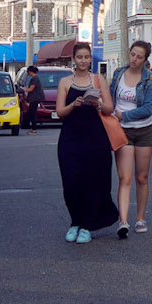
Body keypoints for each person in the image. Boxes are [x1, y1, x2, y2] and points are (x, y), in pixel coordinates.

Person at [54, 42, 119, 243]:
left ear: (91, 58)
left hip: (95, 139)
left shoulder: (98, 80)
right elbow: (60, 112)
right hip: (70, 139)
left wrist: (97, 103)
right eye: (79, 57)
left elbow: (109, 108)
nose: (83, 61)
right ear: (73, 59)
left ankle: (87, 225)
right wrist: (73, 104)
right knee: (71, 181)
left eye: (86, 57)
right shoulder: (65, 82)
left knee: (95, 181)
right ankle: (75, 222)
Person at [111, 40, 152, 235]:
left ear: (145, 59)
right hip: (122, 131)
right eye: (132, 54)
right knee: (124, 178)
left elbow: (148, 109)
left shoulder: (150, 79)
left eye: (139, 56)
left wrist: (123, 115)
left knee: (141, 177)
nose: (134, 59)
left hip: (143, 130)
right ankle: (123, 221)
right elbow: (110, 98)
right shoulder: (118, 74)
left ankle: (140, 217)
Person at [18, 66, 46, 133]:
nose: (28, 73)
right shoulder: (35, 78)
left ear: (30, 71)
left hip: (34, 98)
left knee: (32, 113)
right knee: (32, 113)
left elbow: (31, 89)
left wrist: (23, 89)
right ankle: (33, 128)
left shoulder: (34, 79)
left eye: (28, 72)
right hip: (34, 98)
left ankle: (34, 129)